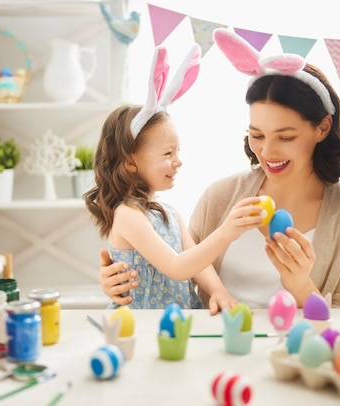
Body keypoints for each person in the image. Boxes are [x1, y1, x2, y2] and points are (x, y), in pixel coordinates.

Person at [99, 28, 340, 309]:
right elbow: (179, 268)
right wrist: (119, 277)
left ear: (322, 128)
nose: (267, 152)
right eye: (257, 135)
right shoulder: (219, 197)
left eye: (286, 137)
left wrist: (301, 286)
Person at [85, 44, 251, 314]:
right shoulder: (127, 214)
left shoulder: (171, 214)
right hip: (140, 327)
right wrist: (226, 233)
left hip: (176, 324)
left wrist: (218, 290)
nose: (178, 161)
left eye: (178, 151)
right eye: (167, 153)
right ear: (130, 161)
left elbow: (195, 262)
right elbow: (176, 267)